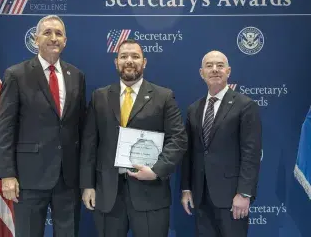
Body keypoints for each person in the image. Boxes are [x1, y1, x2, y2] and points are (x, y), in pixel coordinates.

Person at [80, 39, 187, 237]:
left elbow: (178, 140)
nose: (129, 61)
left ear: (144, 62)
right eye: (124, 56)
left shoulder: (163, 96)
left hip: (150, 194)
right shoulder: (99, 97)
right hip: (108, 195)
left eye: (135, 56)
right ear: (116, 62)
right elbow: (89, 144)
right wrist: (87, 185)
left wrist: (156, 170)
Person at [0, 15, 86, 237]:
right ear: (36, 40)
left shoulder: (76, 76)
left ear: (65, 40)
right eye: (47, 32)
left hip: (68, 178)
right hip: (29, 178)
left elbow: (80, 128)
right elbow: (5, 128)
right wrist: (7, 174)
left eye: (58, 33)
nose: (53, 38)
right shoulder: (16, 75)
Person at [181, 50, 262, 237]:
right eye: (209, 66)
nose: (215, 69)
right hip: (201, 196)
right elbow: (189, 153)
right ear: (202, 73)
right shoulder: (194, 109)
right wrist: (186, 188)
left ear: (228, 71)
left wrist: (244, 193)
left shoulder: (245, 105)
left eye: (220, 65)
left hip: (232, 198)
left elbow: (251, 153)